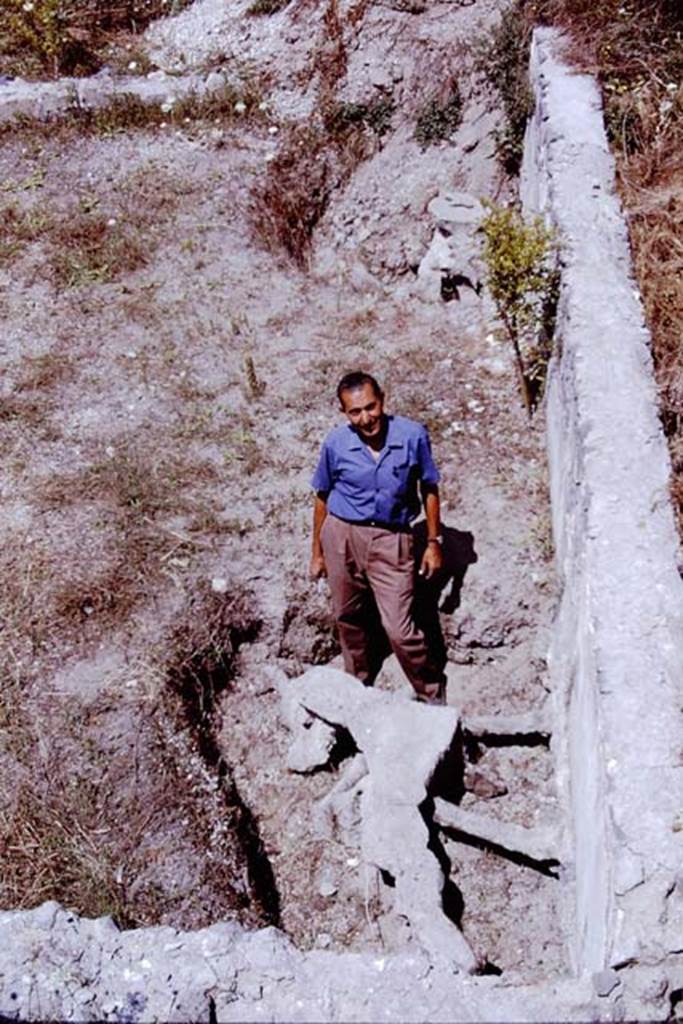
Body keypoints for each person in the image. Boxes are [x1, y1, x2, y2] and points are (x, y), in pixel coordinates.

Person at [309, 371, 447, 704]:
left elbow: (429, 487)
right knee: (348, 616)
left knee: (399, 627)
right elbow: (322, 496)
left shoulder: (412, 436)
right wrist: (317, 553)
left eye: (371, 407)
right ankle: (357, 687)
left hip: (391, 539)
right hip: (341, 534)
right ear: (344, 413)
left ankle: (432, 695)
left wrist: (433, 542)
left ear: (382, 399)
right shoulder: (335, 444)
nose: (366, 418)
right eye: (355, 412)